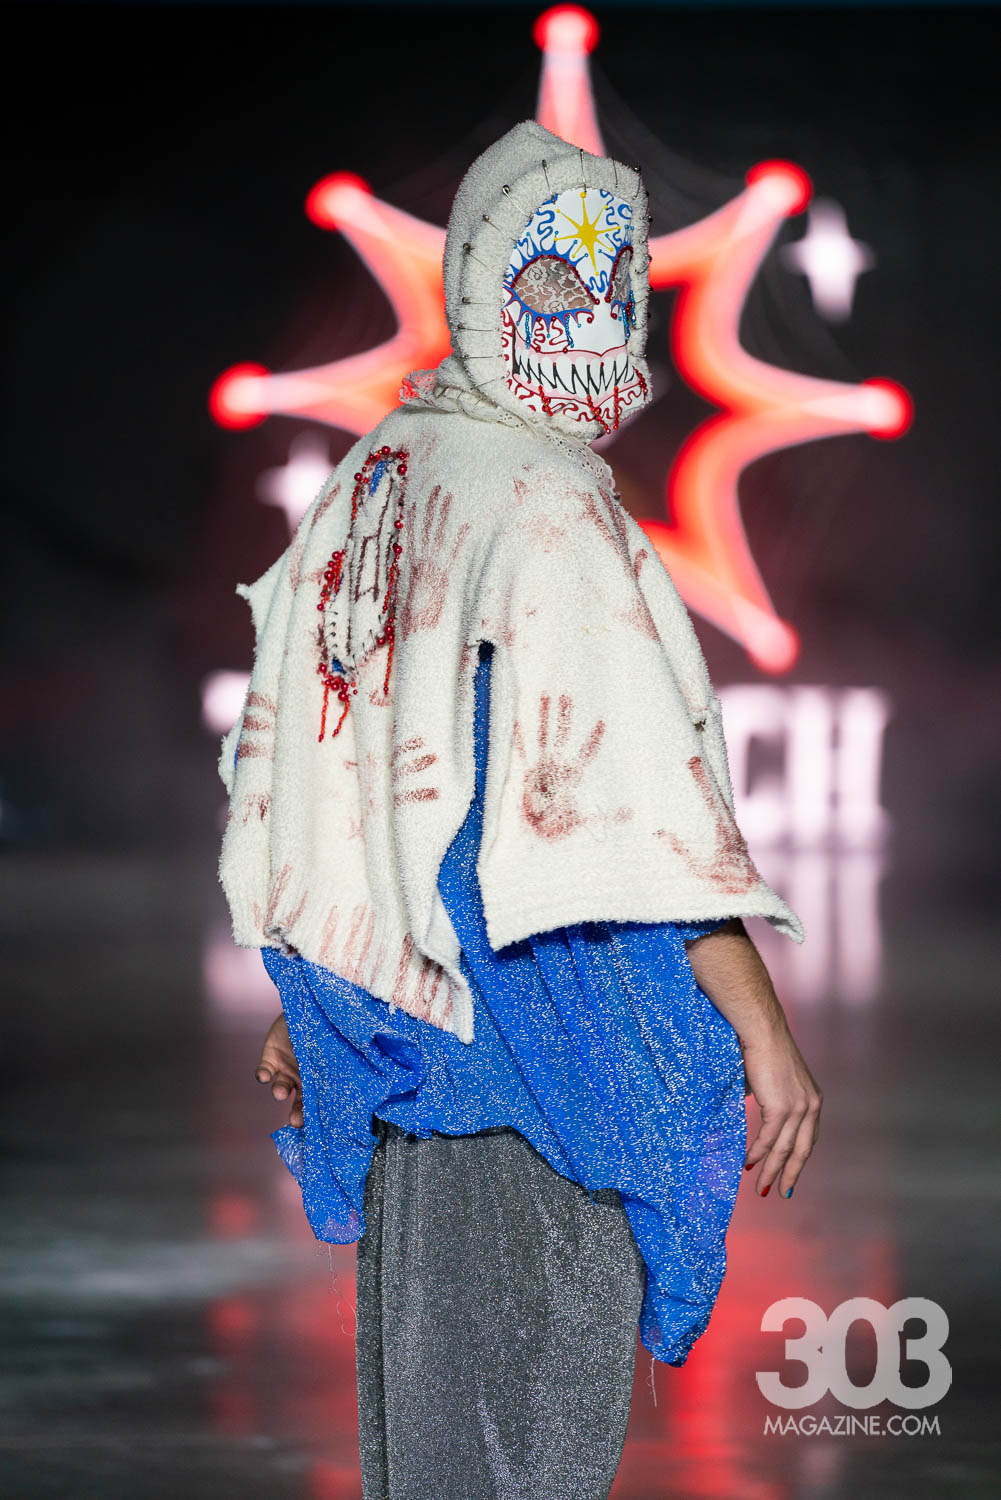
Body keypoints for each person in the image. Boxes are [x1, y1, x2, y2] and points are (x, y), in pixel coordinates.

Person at [220, 121, 822, 1500]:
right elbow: (629, 826)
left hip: (419, 1044)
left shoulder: (382, 472)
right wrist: (765, 1034)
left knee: (443, 1439)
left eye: (614, 283)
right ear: (483, 282)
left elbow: (327, 774)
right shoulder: (547, 501)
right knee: (520, 1442)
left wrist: (321, 989)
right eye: (552, 281)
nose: (588, 318)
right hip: (552, 1054)